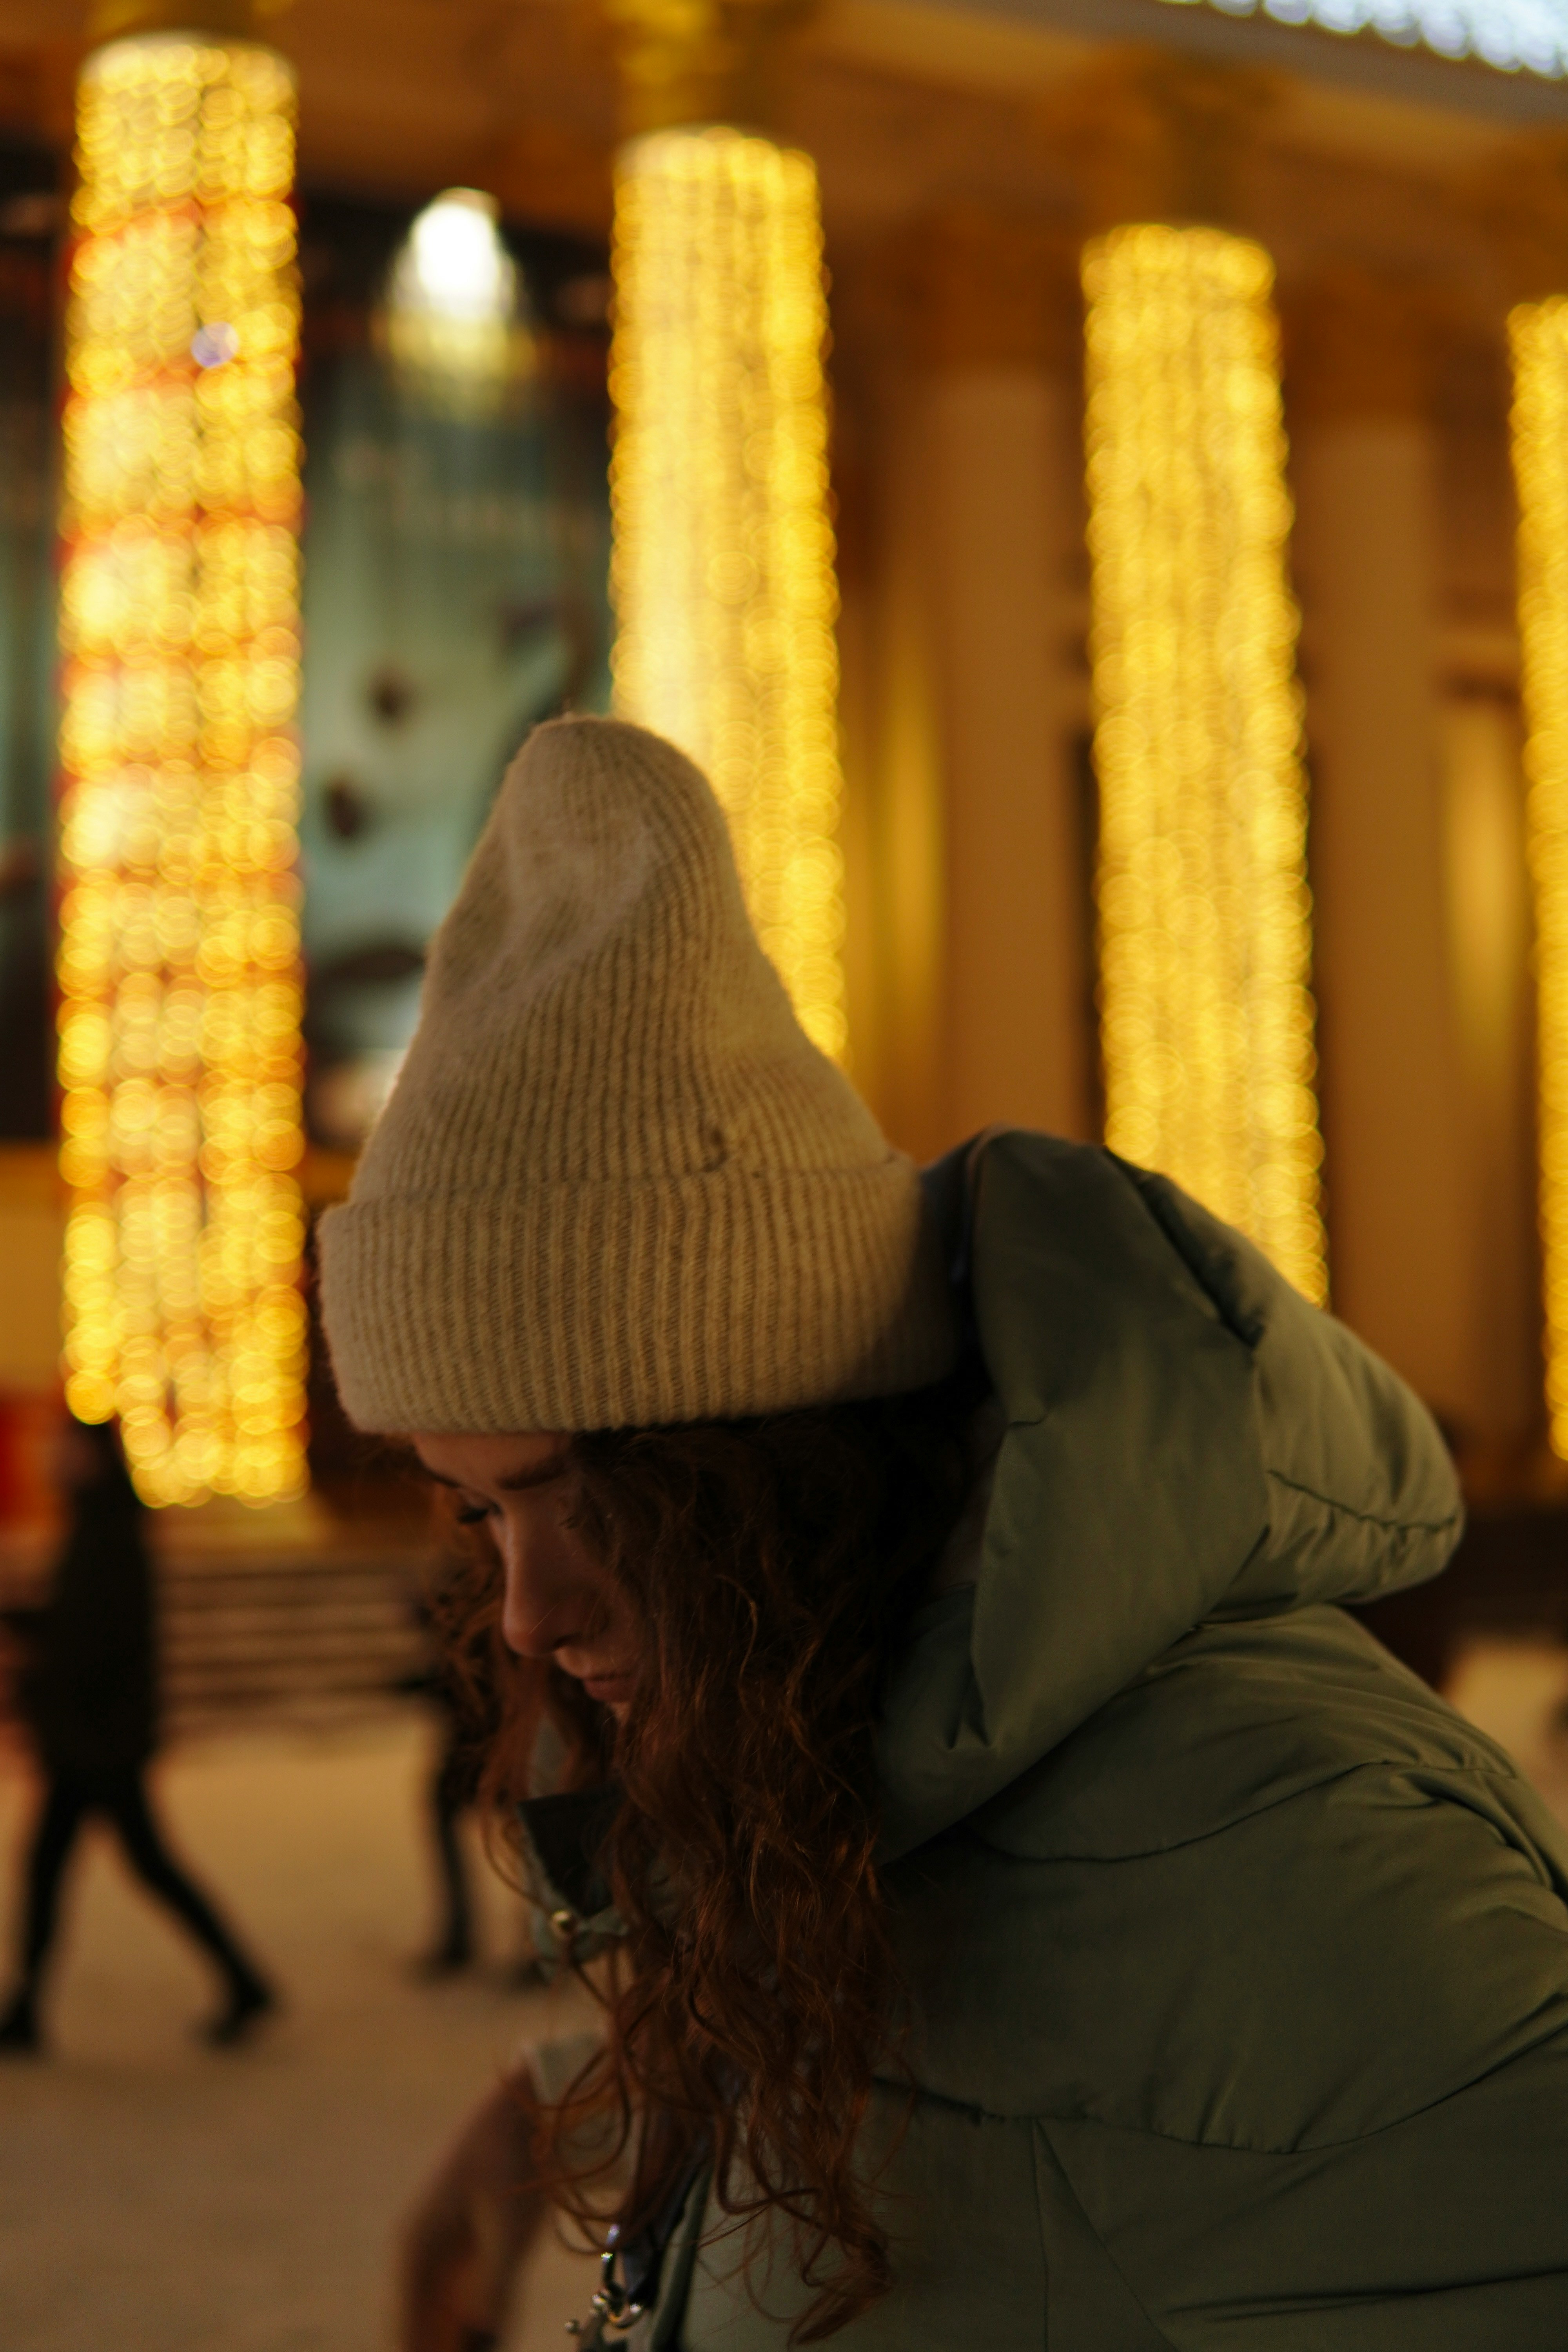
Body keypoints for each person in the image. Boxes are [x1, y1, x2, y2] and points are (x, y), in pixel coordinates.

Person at [318, 715, 1568, 2350]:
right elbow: (1001, 2102)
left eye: (589, 1500)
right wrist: (583, 2102)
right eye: (477, 1511)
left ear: (788, 1476)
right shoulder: (837, 1777)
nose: (525, 1613)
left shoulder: (1301, 1846)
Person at [0, 1415, 276, 2055]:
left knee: (122, 1869)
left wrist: (34, 1664)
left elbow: (94, 1643)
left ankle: (27, 2011)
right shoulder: (96, 1523)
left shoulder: (110, 1533)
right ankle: (28, 2009)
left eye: (64, 1449)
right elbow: (79, 1626)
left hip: (97, 1746)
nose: (53, 1460)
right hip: (91, 1741)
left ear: (93, 1458)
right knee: (102, 1869)